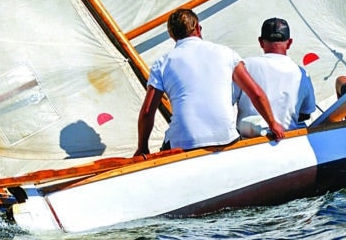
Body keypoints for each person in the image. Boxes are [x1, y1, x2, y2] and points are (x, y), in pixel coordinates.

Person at [135, 8, 285, 156]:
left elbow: (148, 112)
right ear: (199, 29)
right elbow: (256, 93)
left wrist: (142, 148)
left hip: (183, 143)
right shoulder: (227, 53)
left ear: (171, 35)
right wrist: (273, 124)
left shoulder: (162, 63)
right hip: (225, 138)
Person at [234, 17, 316, 137]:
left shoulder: (244, 66)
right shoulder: (302, 73)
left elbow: (227, 102)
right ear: (289, 43)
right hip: (288, 139)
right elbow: (305, 113)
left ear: (261, 42)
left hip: (250, 143)